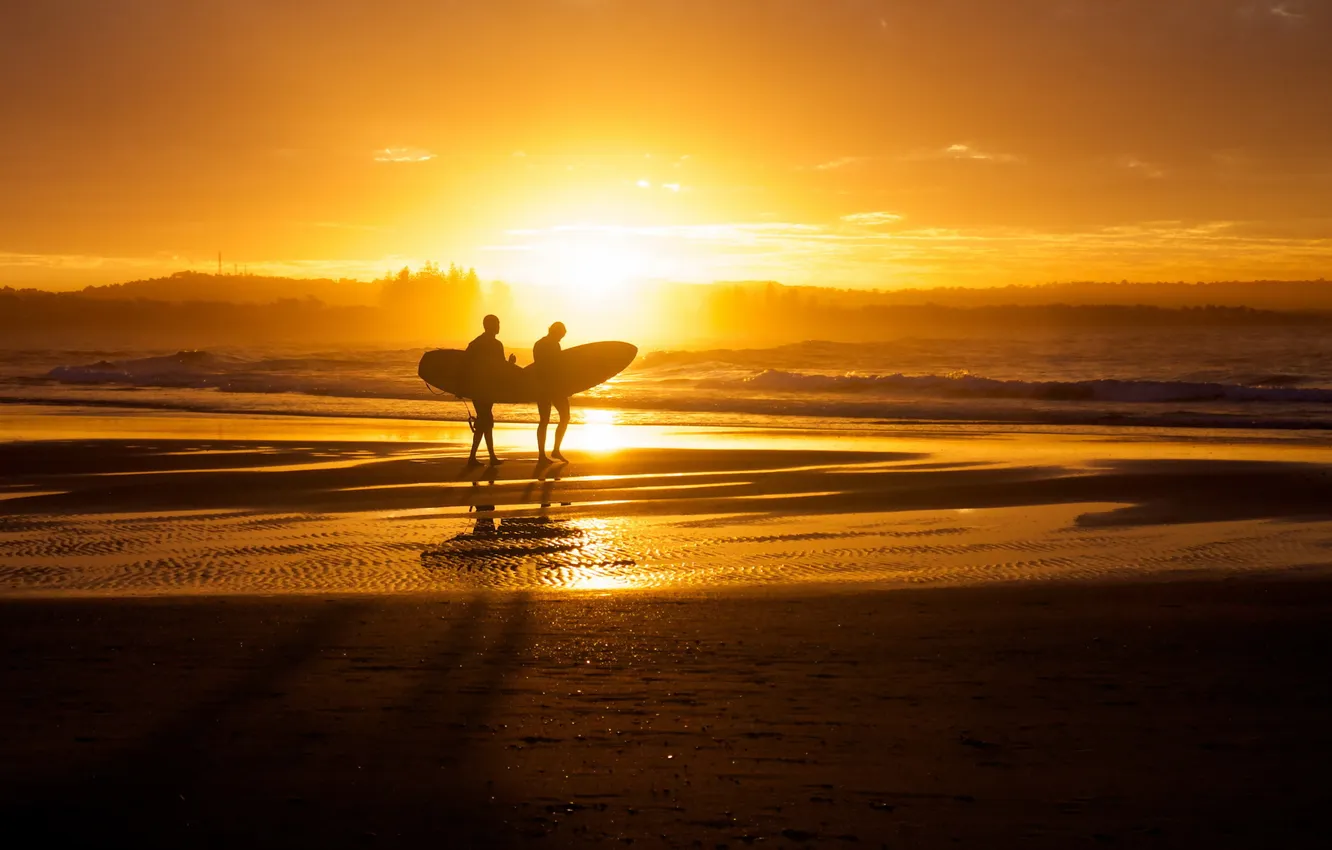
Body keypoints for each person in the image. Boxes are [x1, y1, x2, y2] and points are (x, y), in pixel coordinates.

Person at [465, 314, 515, 466]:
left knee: (484, 421)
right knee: (485, 420)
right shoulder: (495, 345)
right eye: (497, 323)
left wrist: (461, 387)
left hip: (476, 388)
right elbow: (500, 368)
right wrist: (511, 364)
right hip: (486, 388)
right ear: (491, 326)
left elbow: (464, 366)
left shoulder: (475, 343)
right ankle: (478, 457)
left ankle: (485, 456)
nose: (499, 326)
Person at [533, 321, 570, 462]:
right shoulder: (550, 344)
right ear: (556, 332)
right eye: (561, 335)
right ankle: (546, 453)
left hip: (545, 386)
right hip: (549, 387)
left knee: (556, 418)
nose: (561, 338)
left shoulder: (541, 343)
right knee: (551, 419)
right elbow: (552, 367)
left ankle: (551, 452)